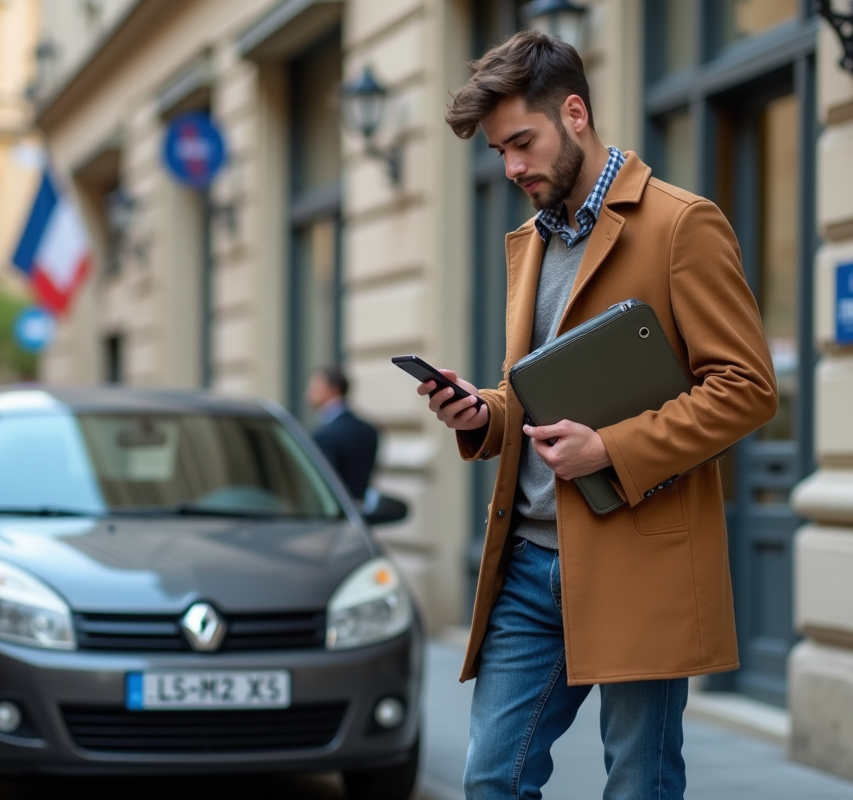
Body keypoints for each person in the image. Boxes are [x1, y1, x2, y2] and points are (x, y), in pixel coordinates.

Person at [417, 32, 778, 800]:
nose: (511, 168)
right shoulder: (530, 242)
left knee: (639, 784)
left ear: (575, 113)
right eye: (500, 152)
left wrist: (609, 448)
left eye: (523, 143)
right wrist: (482, 413)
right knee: (491, 779)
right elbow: (538, 393)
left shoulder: (681, 224)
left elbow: (746, 387)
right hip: (527, 562)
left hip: (638, 558)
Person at [306, 365, 379, 502]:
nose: (308, 394)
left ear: (333, 390)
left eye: (315, 389)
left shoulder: (325, 434)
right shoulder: (369, 429)